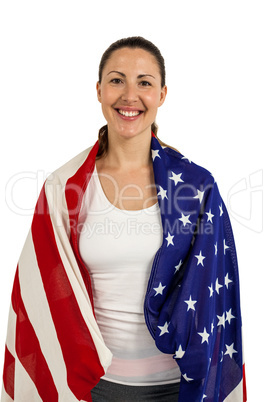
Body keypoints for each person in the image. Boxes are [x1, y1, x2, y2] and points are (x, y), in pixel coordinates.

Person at [1, 37, 246, 402]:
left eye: (144, 82)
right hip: (93, 387)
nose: (129, 95)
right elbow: (39, 293)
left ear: (162, 95)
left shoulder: (196, 188)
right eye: (117, 81)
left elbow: (217, 295)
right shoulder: (64, 187)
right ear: (99, 91)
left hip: (180, 387)